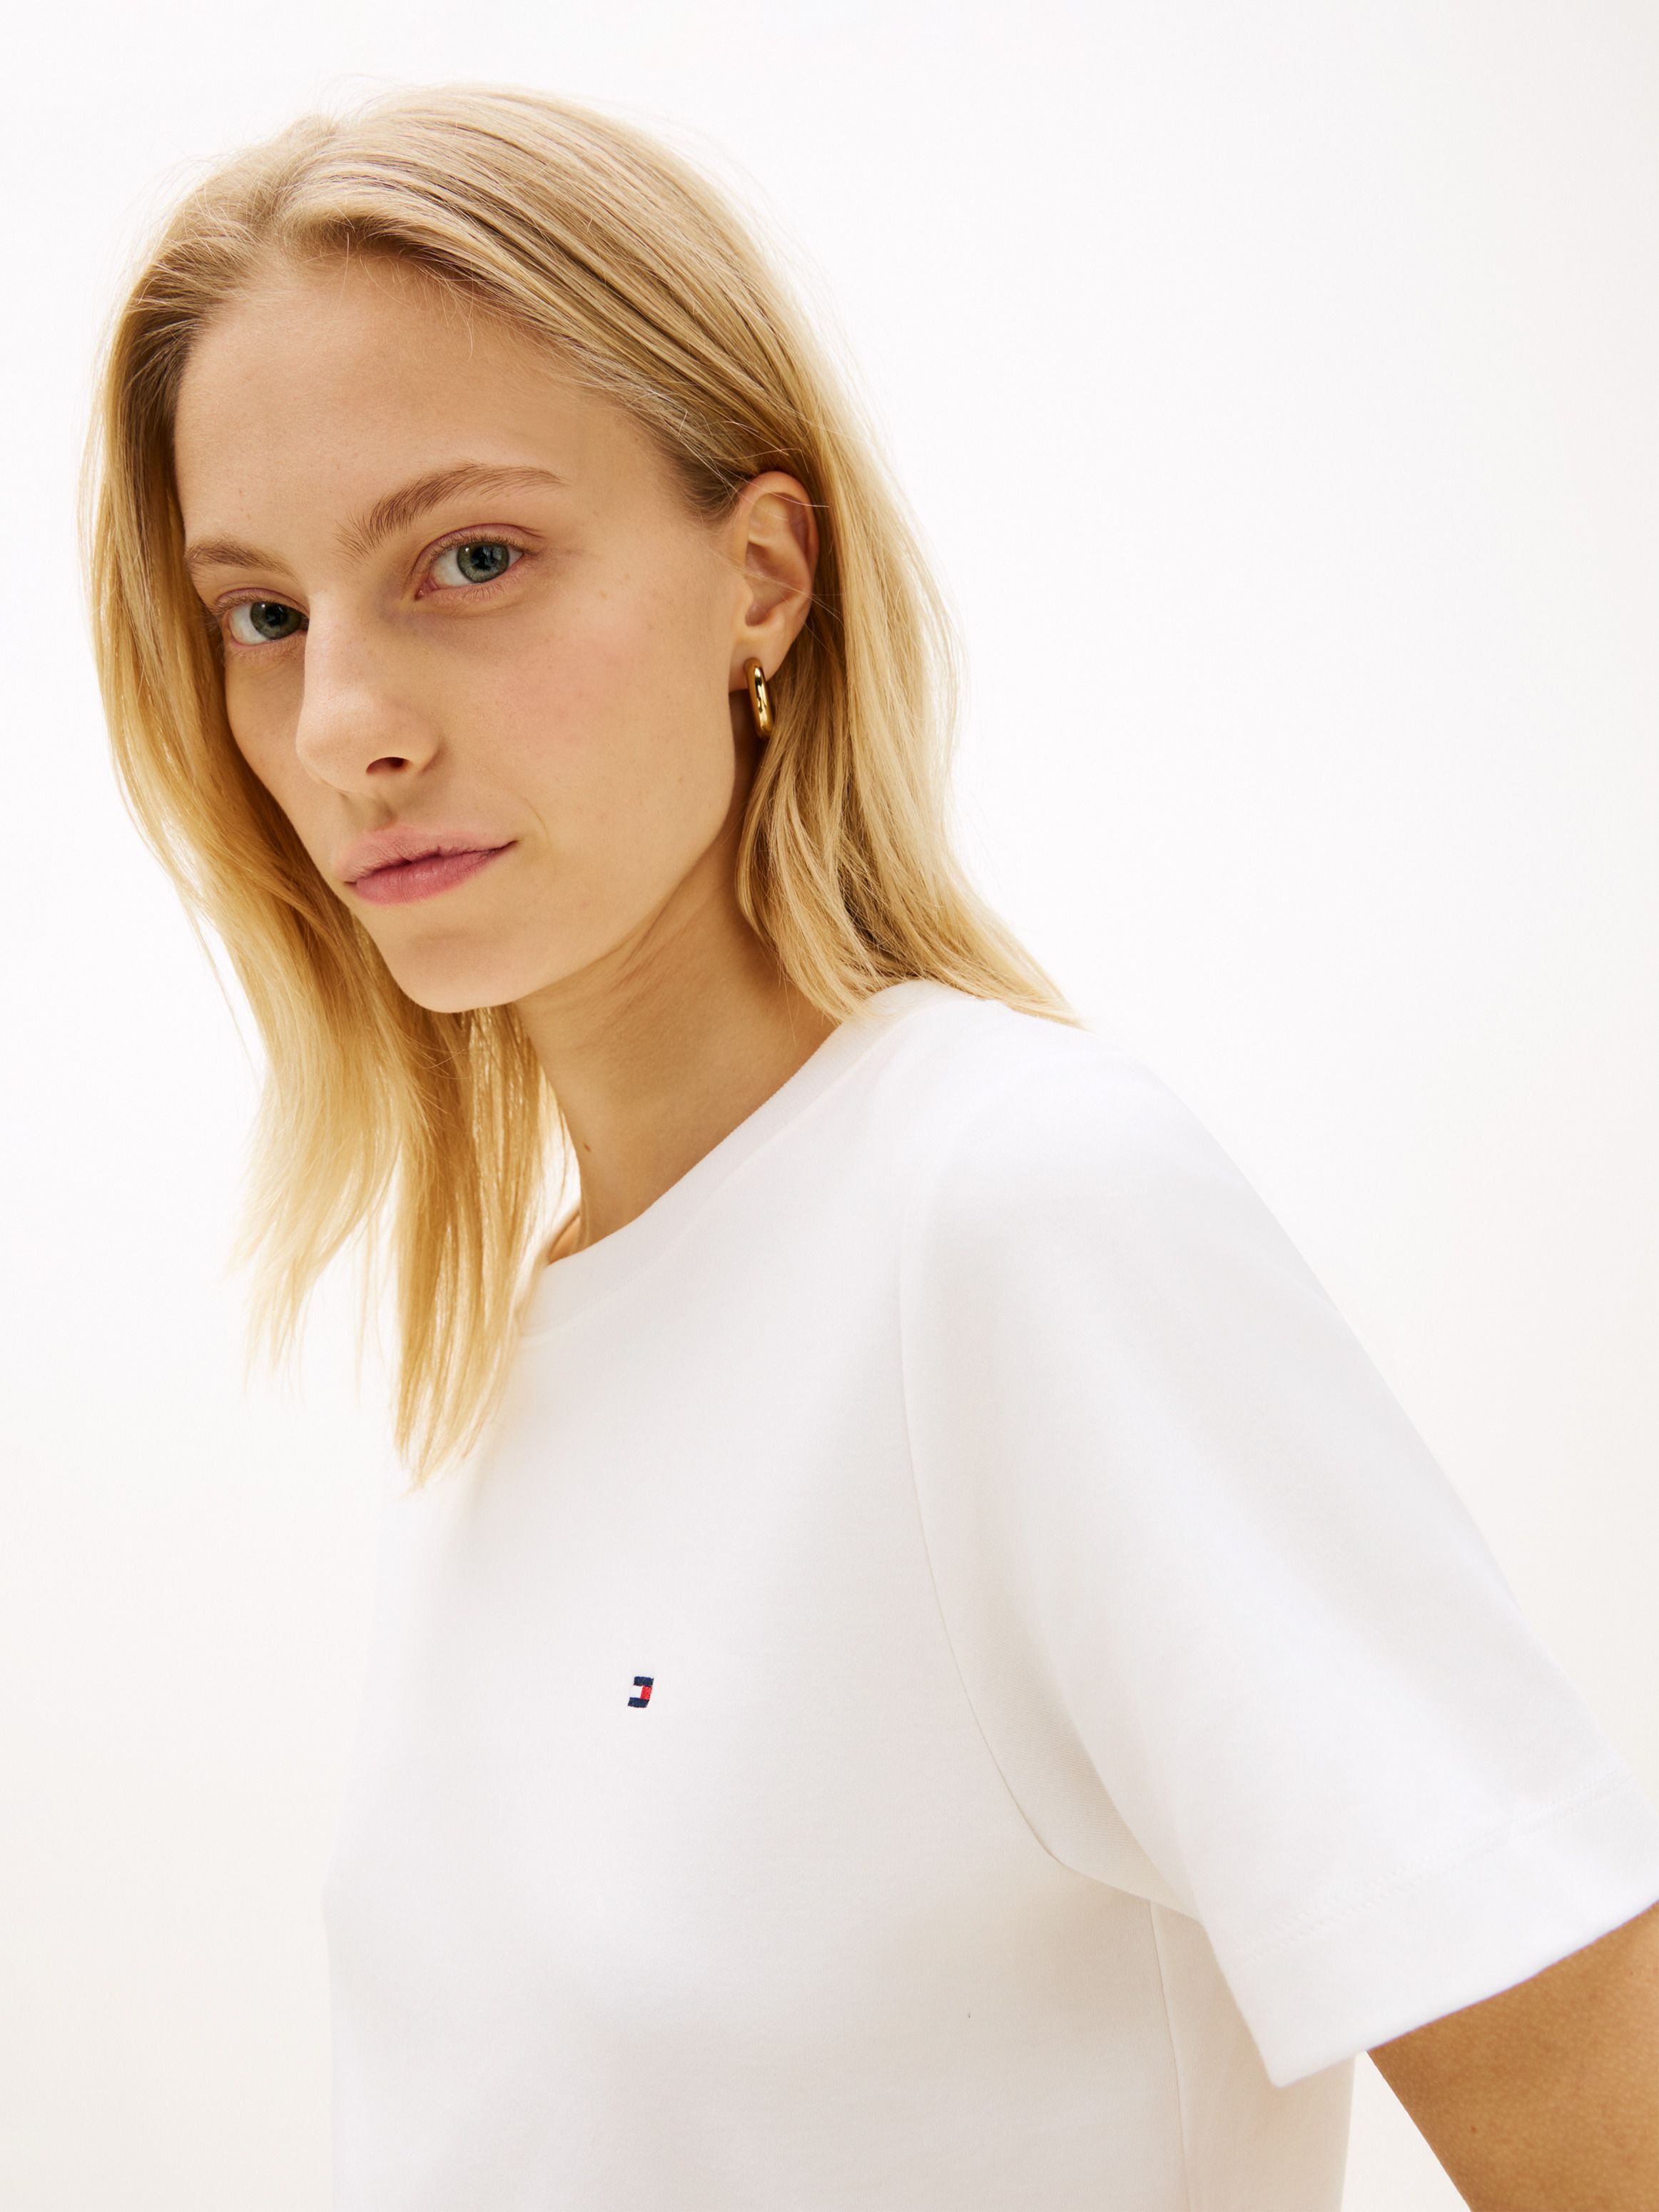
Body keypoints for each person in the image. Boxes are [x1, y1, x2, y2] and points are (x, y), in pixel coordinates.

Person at [86, 83, 1659, 2212]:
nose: (346, 720)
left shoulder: (1010, 1213)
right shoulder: (518, 1341)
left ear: (761, 576)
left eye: (471, 559)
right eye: (264, 613)